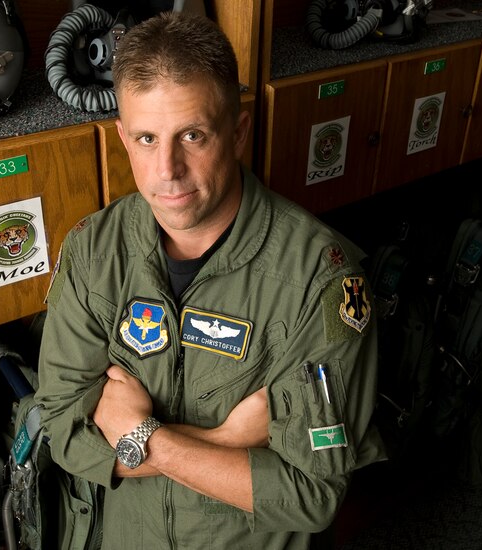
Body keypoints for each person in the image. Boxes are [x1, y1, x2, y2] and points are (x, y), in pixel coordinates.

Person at [35, 11, 386, 549]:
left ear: (238, 132)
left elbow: (310, 493)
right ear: (124, 139)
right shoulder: (93, 251)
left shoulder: (319, 279)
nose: (167, 168)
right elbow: (62, 428)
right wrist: (223, 439)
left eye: (192, 135)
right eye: (147, 138)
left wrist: (143, 440)